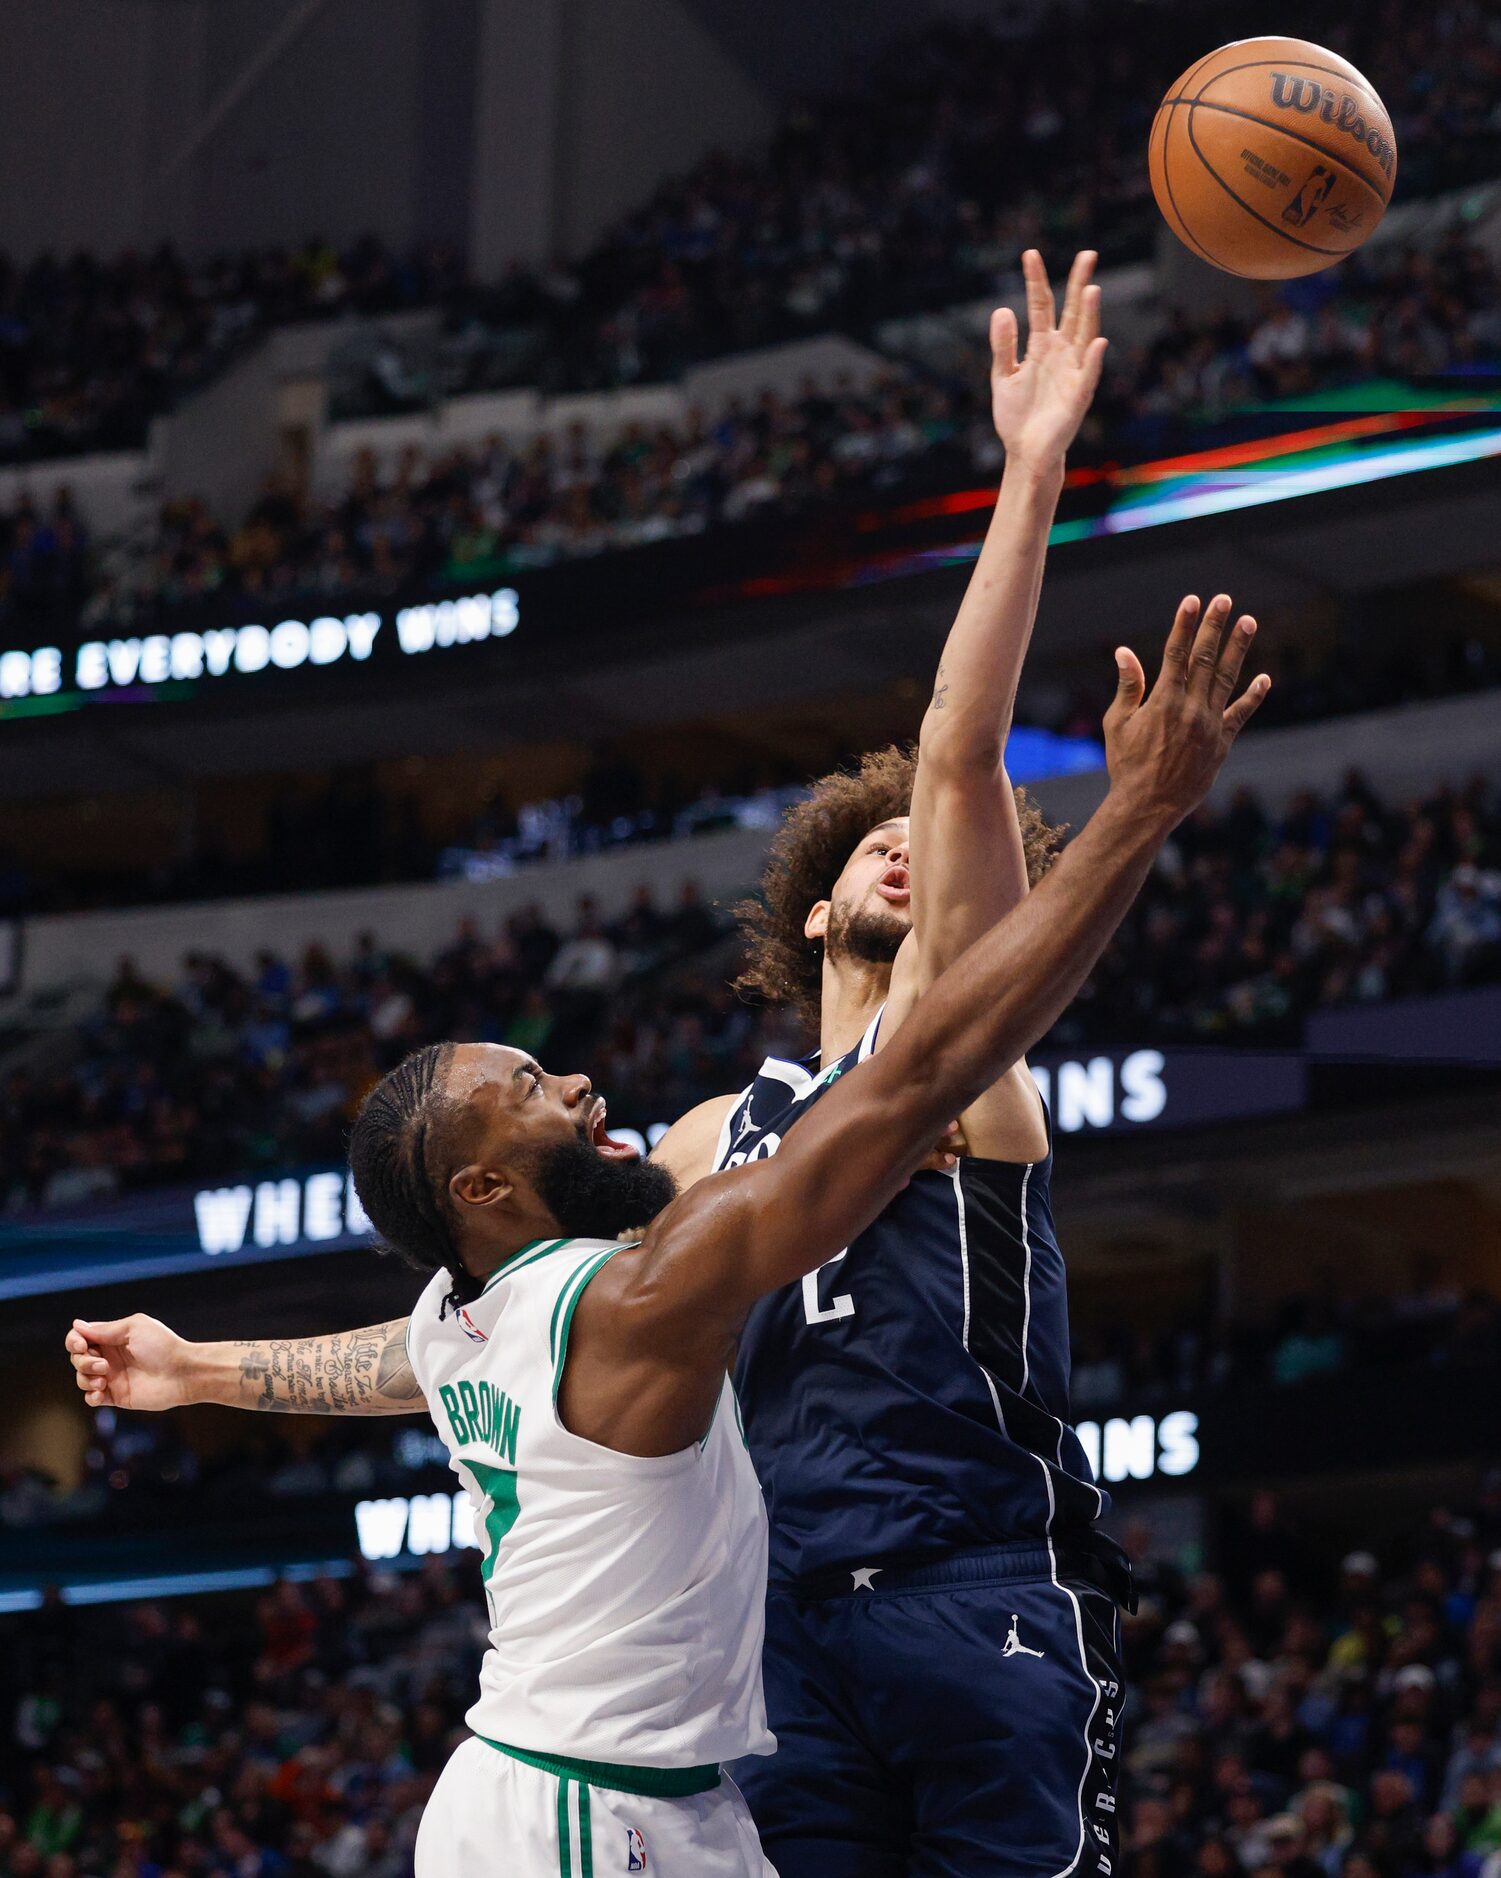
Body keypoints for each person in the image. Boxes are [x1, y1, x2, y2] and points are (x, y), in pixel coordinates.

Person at [69, 602, 1268, 1877]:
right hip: (763, 1648)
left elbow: (957, 766)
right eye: (875, 843)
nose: (909, 850)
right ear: (810, 912)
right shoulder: (697, 1163)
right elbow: (447, 1342)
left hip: (961, 1575)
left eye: (932, 840)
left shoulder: (949, 1077)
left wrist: (202, 1370)